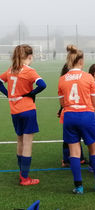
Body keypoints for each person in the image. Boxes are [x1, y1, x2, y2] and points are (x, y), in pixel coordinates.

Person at [58, 45, 95, 194]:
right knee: (94, 150)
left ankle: (78, 186)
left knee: (74, 153)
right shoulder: (88, 77)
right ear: (81, 61)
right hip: (86, 115)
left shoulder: (62, 79)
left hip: (69, 116)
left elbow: (62, 104)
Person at [0, 44, 47, 185]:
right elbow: (43, 85)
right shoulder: (29, 71)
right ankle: (25, 178)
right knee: (27, 144)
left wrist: (8, 94)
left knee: (19, 141)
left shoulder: (11, 70)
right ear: (29, 57)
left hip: (15, 111)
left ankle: (22, 173)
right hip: (27, 110)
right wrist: (31, 93)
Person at [58, 64, 87, 168]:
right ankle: (72, 159)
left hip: (69, 114)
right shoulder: (74, 81)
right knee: (73, 138)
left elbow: (63, 101)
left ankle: (74, 159)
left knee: (72, 138)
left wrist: (60, 109)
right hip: (74, 113)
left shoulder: (64, 81)